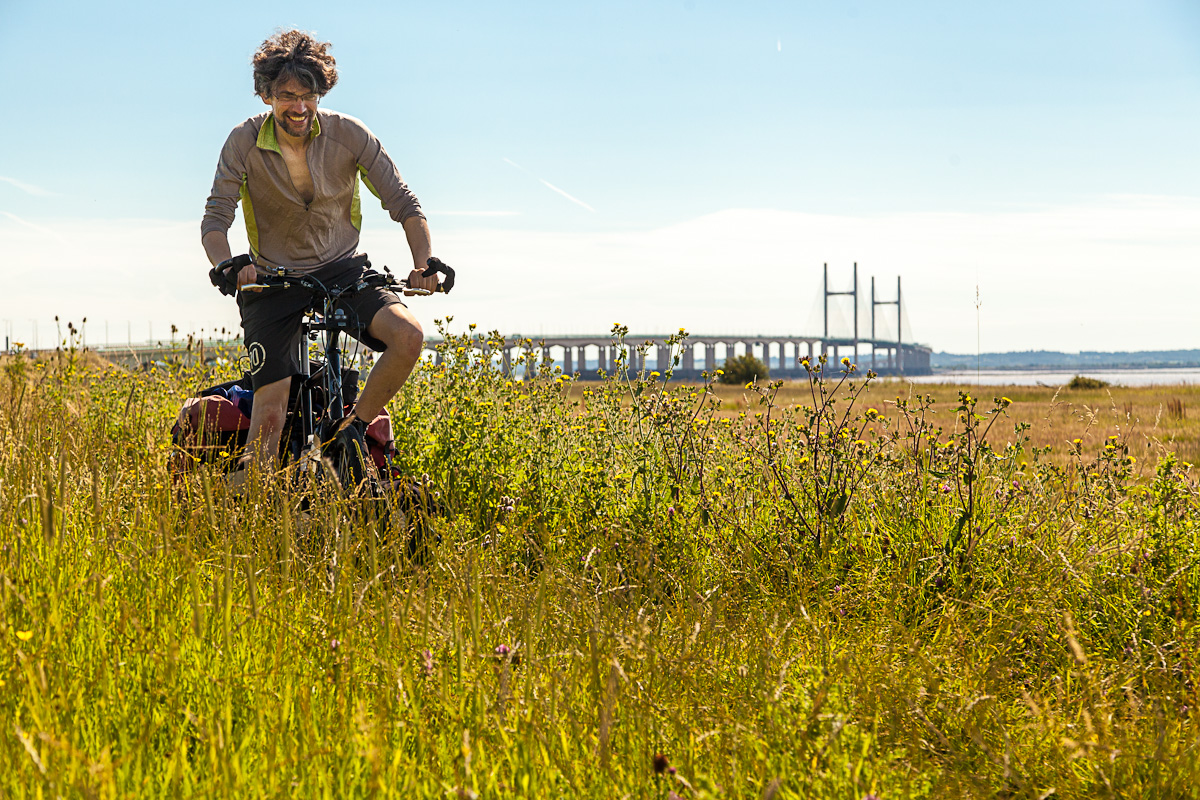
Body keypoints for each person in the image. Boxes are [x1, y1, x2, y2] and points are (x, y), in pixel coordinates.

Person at [201, 29, 437, 469]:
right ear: (266, 95)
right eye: (287, 96)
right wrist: (229, 264)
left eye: (308, 96)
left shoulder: (349, 134)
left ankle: (351, 430)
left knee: (408, 336)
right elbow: (215, 220)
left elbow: (405, 203)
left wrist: (424, 263)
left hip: (343, 270)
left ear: (320, 93)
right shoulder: (243, 141)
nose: (299, 107)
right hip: (272, 280)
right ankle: (247, 501)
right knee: (270, 420)